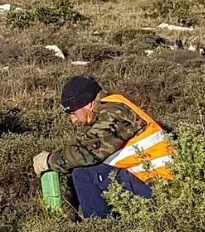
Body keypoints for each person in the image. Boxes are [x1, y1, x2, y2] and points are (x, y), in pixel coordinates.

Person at [31, 75, 176, 218]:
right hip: (158, 184)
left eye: (73, 113)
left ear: (87, 104)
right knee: (89, 169)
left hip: (161, 189)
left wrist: (49, 161)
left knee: (83, 173)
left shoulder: (113, 112)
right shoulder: (110, 108)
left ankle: (100, 230)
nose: (73, 120)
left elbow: (86, 153)